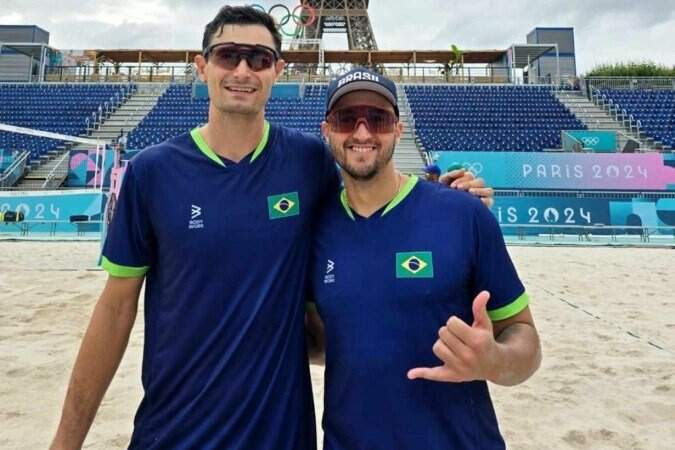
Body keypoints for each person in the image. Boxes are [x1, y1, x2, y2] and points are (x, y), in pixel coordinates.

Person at [50, 7, 492, 450]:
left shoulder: (309, 162)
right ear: (202, 66)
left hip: (281, 436)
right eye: (228, 55)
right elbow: (115, 310)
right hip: (175, 432)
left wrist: (446, 197)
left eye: (259, 58)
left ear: (278, 70)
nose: (243, 70)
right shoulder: (153, 172)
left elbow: (374, 198)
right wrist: (66, 442)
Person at [307, 67, 542, 449]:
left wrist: (493, 360)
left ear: (399, 129)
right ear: (327, 130)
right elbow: (322, 342)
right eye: (347, 119)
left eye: (378, 119)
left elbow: (524, 337)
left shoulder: (463, 214)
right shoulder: (315, 228)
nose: (362, 133)